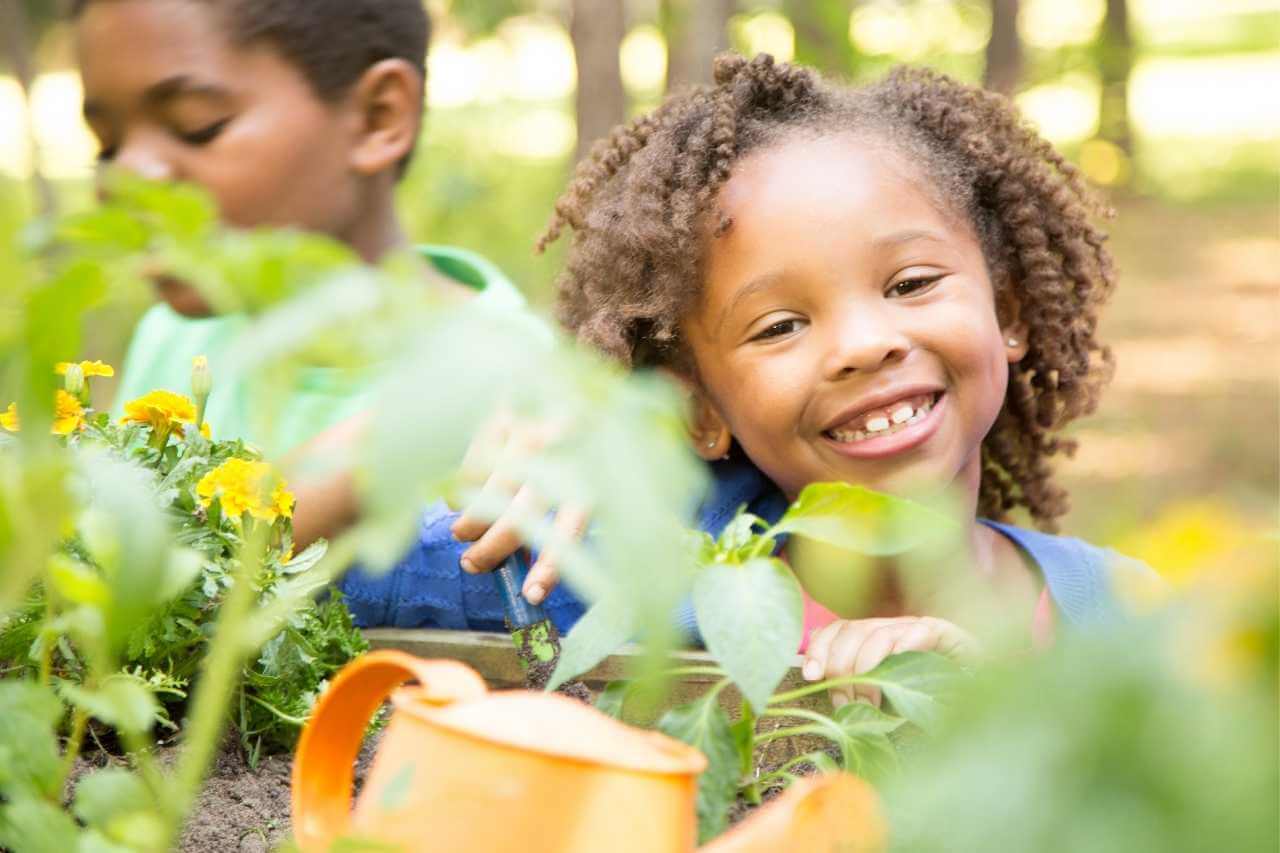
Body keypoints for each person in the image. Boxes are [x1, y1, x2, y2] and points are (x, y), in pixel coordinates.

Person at [537, 53, 1155, 706]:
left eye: (911, 283)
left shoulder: (1129, 612)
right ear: (699, 412)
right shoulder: (664, 607)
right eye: (779, 326)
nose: (863, 347)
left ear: (1008, 311)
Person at [73, 0, 524, 549]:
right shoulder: (175, 340)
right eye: (107, 145)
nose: (126, 180)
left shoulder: (527, 393)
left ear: (378, 116)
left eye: (197, 126)